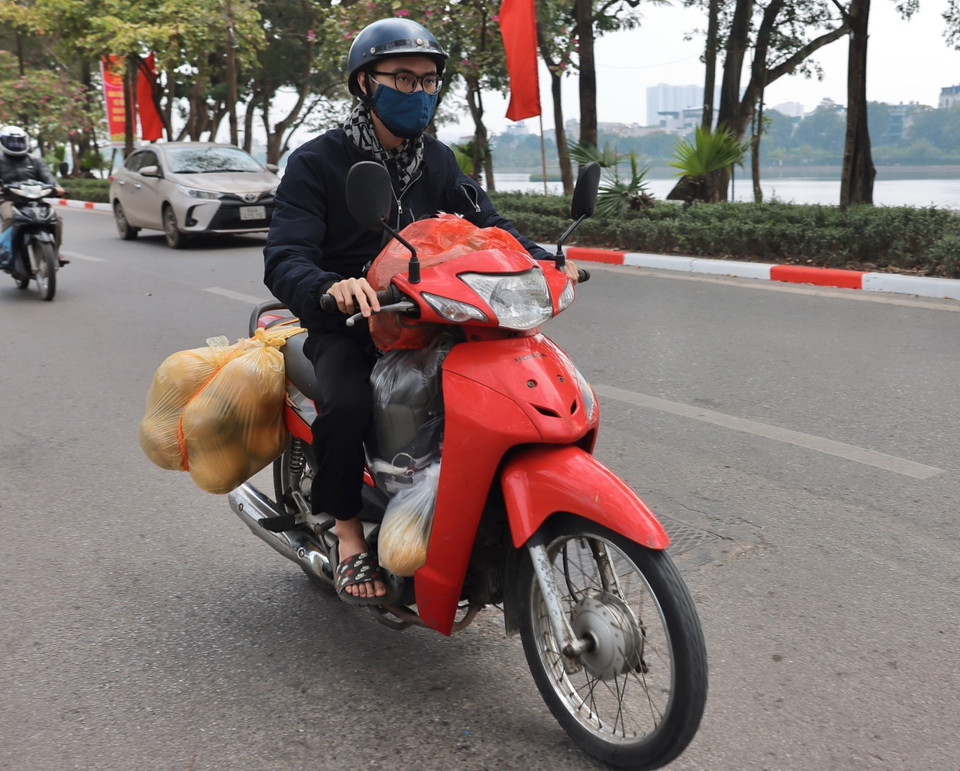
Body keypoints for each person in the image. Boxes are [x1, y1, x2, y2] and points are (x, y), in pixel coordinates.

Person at [263, 17, 578, 605]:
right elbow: (285, 256)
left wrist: (543, 260)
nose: (418, 94)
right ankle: (350, 538)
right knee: (349, 402)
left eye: (429, 82)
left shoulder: (436, 160)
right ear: (365, 84)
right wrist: (331, 287)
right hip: (353, 323)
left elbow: (489, 227)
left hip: (435, 318)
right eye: (402, 80)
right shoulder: (317, 162)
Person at [0, 125, 67, 266]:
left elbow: (48, 177)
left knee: (57, 219)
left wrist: (57, 188)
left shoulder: (35, 160)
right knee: (10, 218)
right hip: (8, 199)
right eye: (12, 142)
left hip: (34, 198)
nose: (16, 145)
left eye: (18, 141)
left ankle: (55, 251)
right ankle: (6, 252)